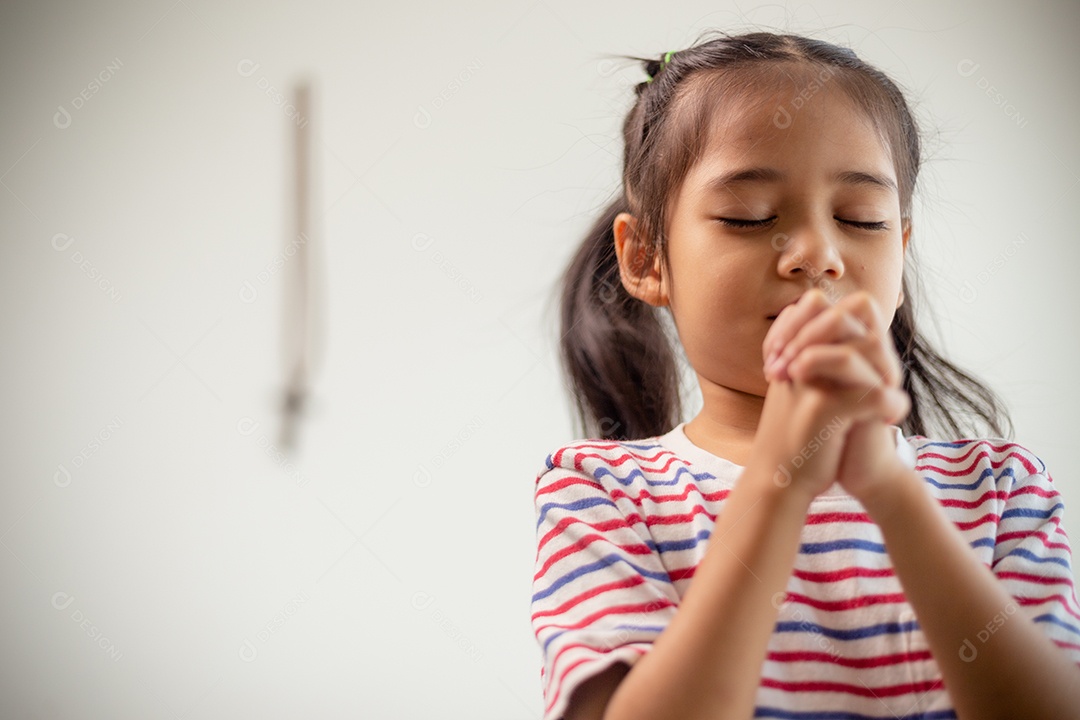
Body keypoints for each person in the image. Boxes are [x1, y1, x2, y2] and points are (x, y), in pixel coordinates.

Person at [530, 29, 1080, 720]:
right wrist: (777, 486)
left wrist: (891, 493)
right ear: (645, 258)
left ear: (901, 252)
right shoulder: (602, 492)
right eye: (749, 217)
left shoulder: (998, 490)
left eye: (861, 219)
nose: (817, 254)